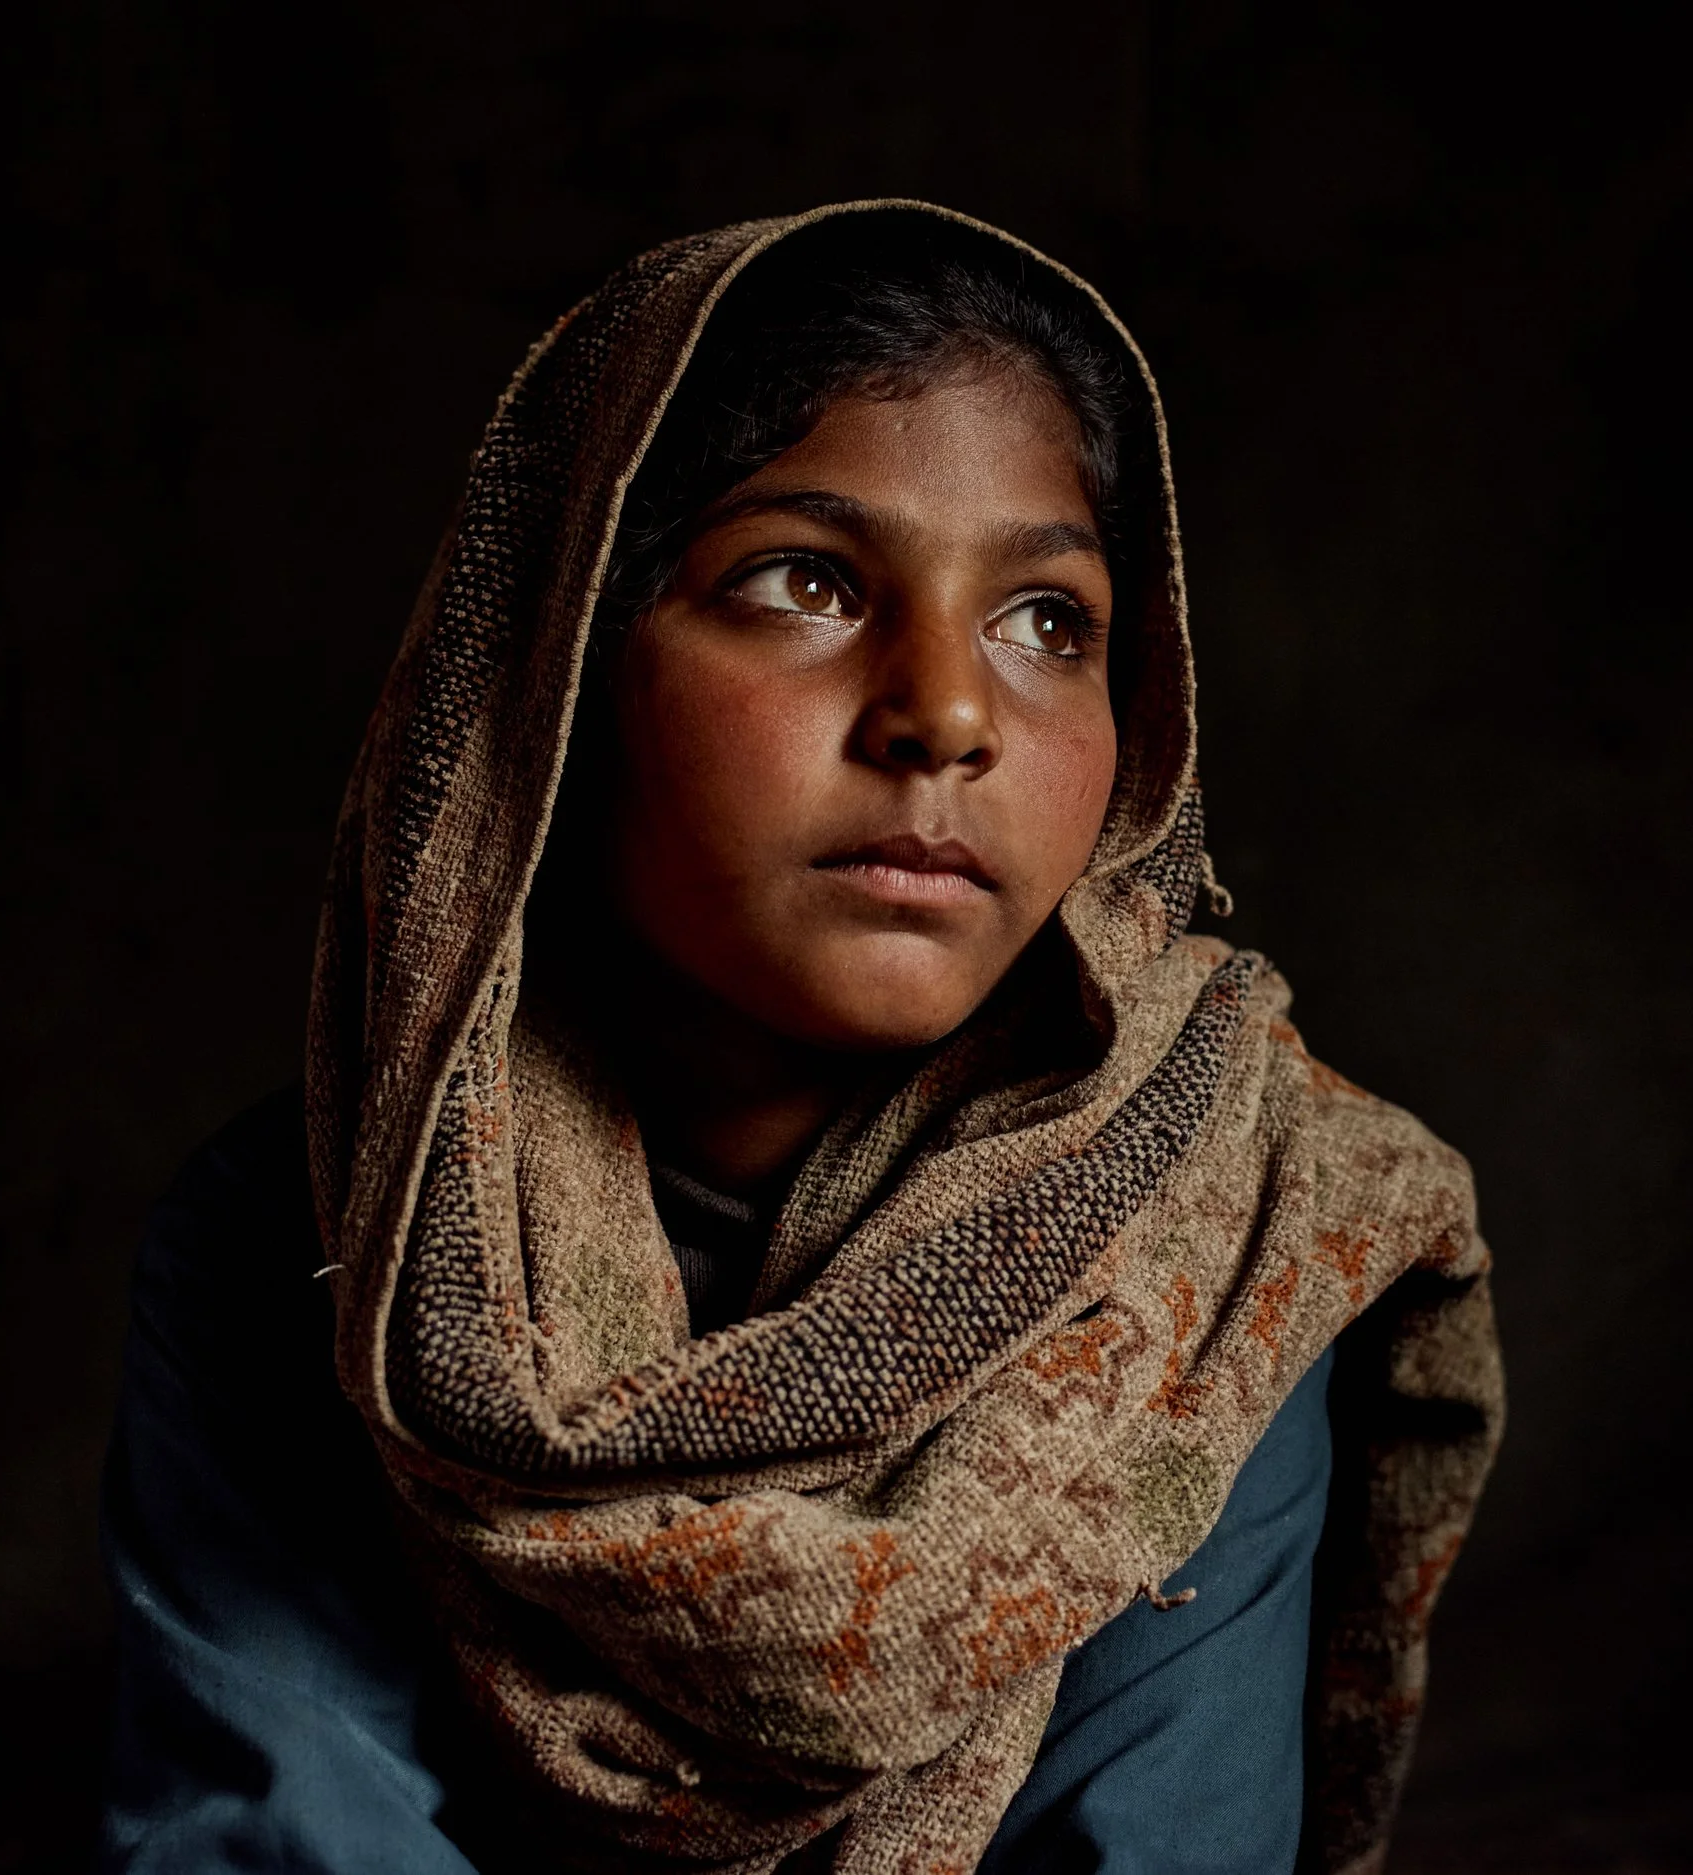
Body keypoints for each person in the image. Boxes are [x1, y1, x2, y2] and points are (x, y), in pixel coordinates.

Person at [99, 203, 1503, 1874]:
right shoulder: (313, 1249)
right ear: (560, 672)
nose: (949, 712)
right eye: (804, 581)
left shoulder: (1215, 1245)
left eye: (1048, 619)